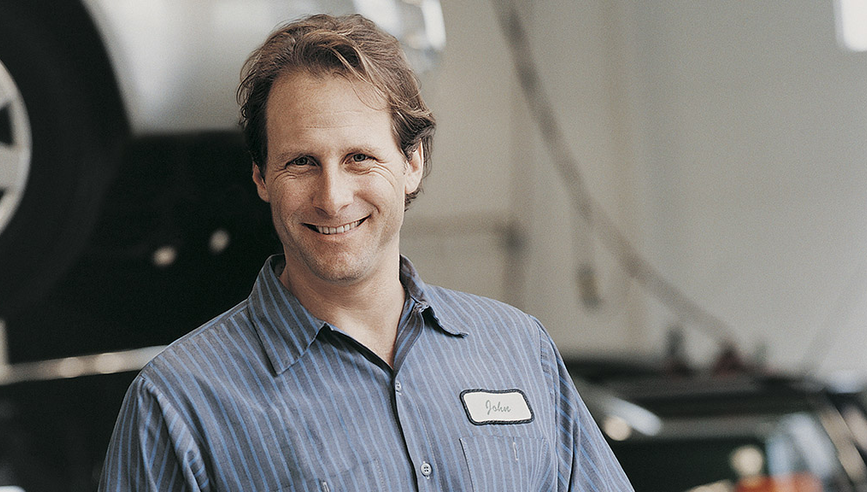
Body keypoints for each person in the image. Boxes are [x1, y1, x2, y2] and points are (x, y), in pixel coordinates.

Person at [100, 13, 633, 492]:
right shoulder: (178, 404)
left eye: (359, 157)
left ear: (412, 163)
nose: (333, 198)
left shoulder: (520, 351)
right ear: (261, 176)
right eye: (301, 162)